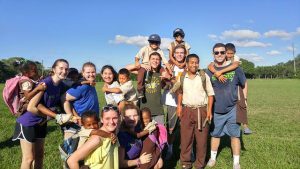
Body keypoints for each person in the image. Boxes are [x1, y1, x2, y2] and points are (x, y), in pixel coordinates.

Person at [13, 59, 69, 169]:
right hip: (27, 123)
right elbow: (31, 107)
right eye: (61, 68)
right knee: (28, 158)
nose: (64, 71)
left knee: (39, 156)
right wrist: (55, 116)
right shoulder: (45, 83)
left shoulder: (61, 85)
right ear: (53, 69)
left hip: (41, 123)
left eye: (66, 69)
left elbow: (66, 98)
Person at [206, 43, 247, 169]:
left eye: (222, 52)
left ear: (226, 53)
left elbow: (244, 84)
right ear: (213, 54)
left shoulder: (236, 69)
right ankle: (212, 159)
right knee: (215, 135)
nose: (219, 54)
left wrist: (244, 100)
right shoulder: (208, 71)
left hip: (232, 108)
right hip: (216, 109)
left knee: (235, 135)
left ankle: (236, 162)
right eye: (216, 52)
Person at [176, 54, 215, 169]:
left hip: (201, 111)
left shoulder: (203, 76)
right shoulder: (182, 77)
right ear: (187, 64)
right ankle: (185, 163)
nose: (194, 64)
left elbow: (210, 94)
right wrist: (179, 106)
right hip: (187, 110)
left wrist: (209, 111)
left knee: (201, 141)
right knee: (186, 139)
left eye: (196, 62)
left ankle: (199, 164)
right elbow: (180, 92)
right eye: (191, 62)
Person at [208, 43, 252, 134]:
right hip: (224, 89)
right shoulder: (218, 60)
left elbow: (235, 66)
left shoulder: (235, 59)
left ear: (234, 53)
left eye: (231, 54)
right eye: (228, 53)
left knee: (241, 106)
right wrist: (217, 73)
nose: (229, 55)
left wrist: (219, 72)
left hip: (235, 86)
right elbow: (210, 65)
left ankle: (245, 126)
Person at [67, 105, 120, 169]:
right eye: (107, 118)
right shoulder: (96, 138)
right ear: (101, 120)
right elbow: (71, 160)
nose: (111, 122)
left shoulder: (114, 136)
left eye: (115, 118)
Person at [161, 45, 186, 159]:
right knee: (171, 128)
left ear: (185, 54)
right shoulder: (168, 67)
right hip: (172, 103)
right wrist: (165, 78)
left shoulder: (188, 66)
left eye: (182, 52)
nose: (179, 54)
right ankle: (170, 149)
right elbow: (163, 85)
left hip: (186, 102)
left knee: (186, 128)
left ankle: (187, 150)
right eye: (177, 53)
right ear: (174, 55)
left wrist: (173, 80)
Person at [63, 62, 100, 139]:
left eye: (93, 72)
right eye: (88, 72)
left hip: (91, 122)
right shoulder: (82, 87)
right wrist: (74, 116)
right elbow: (64, 98)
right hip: (81, 124)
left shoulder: (90, 84)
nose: (91, 74)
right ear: (83, 73)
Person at [138, 52, 171, 124]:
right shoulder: (143, 72)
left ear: (160, 61)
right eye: (153, 59)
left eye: (157, 59)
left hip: (158, 111)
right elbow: (126, 69)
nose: (155, 61)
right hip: (144, 111)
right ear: (149, 60)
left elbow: (168, 86)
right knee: (145, 134)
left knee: (160, 133)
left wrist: (167, 78)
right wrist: (141, 64)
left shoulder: (161, 73)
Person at [118, 104, 152, 169]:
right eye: (128, 116)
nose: (132, 119)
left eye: (135, 115)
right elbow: (120, 164)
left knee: (159, 163)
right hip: (129, 166)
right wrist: (139, 160)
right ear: (123, 118)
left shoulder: (139, 128)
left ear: (139, 117)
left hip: (139, 162)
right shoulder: (122, 135)